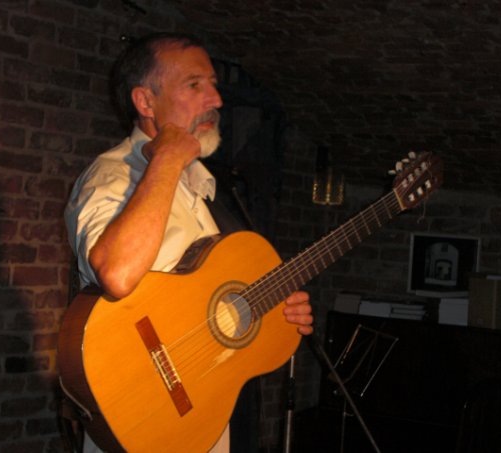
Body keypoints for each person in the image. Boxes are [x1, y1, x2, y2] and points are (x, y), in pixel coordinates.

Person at [64, 32, 314, 453]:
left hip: (200, 418)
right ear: (145, 102)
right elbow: (117, 275)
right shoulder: (112, 177)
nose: (216, 100)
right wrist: (166, 157)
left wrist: (274, 307)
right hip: (141, 418)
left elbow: (196, 306)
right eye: (195, 84)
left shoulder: (199, 184)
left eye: (213, 84)